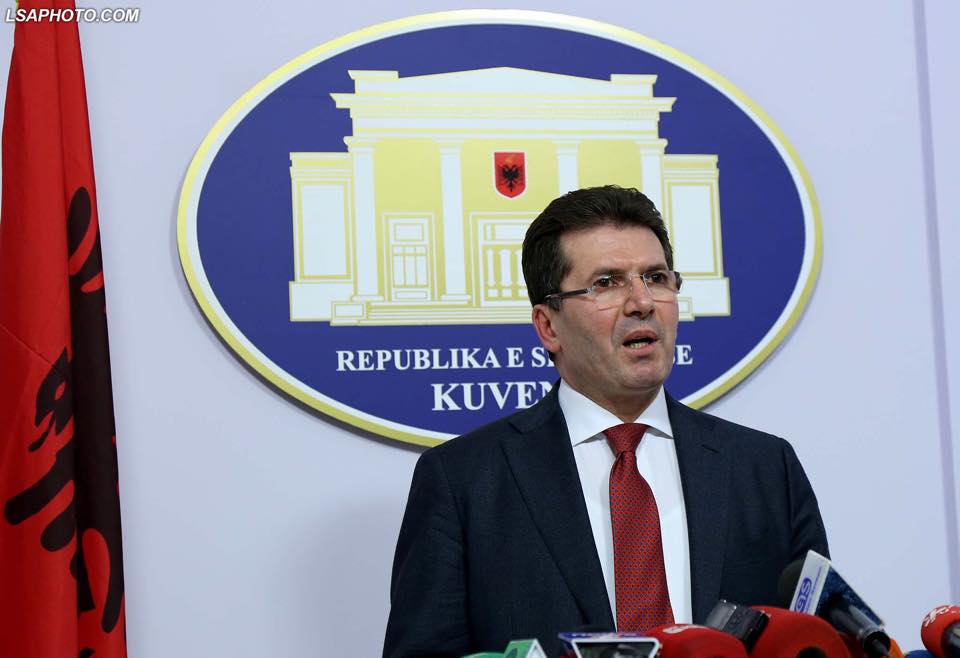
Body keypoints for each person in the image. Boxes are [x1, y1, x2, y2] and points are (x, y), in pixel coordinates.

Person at [382, 185, 828, 658]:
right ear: (548, 326)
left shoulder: (765, 469)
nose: (642, 302)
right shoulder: (464, 482)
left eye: (656, 277)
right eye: (607, 283)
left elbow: (819, 643)